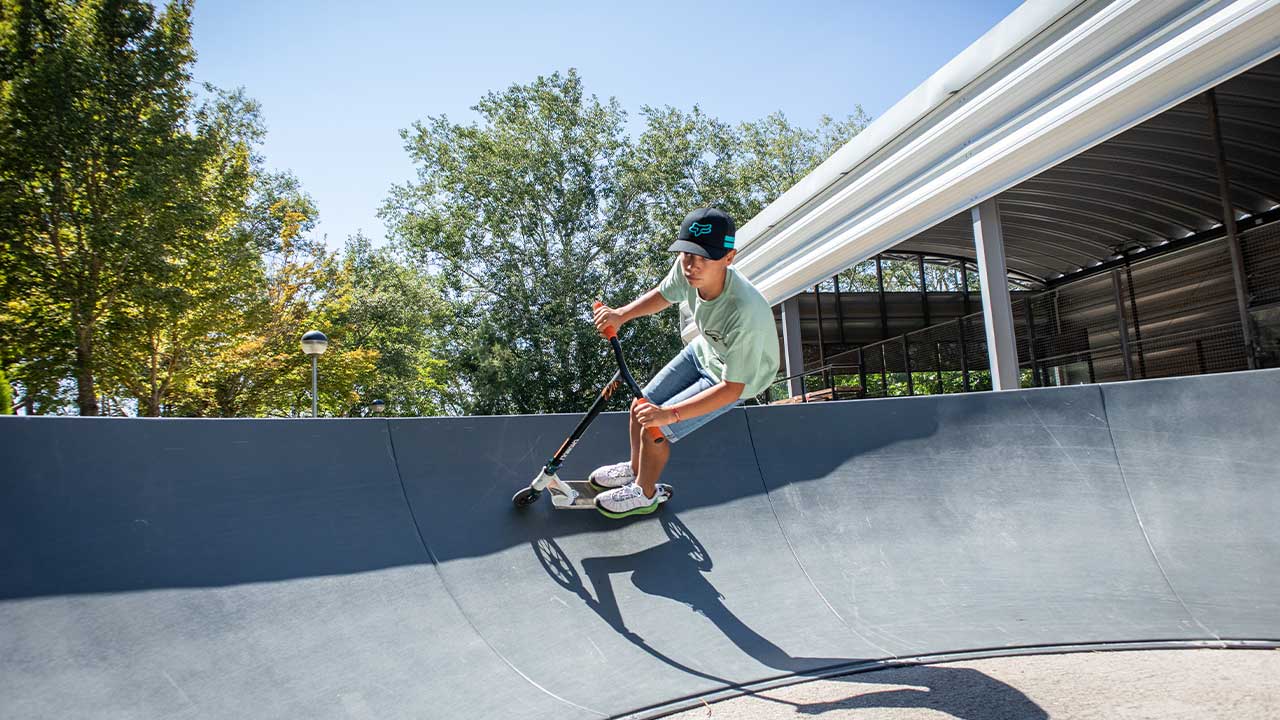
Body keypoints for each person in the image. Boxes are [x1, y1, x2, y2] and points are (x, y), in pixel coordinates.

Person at [590, 208, 780, 518]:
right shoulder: (686, 268)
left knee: (657, 425)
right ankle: (636, 470)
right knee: (641, 407)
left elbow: (731, 390)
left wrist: (670, 414)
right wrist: (621, 315)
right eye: (688, 255)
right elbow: (664, 295)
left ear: (729, 258)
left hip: (736, 377)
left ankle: (645, 493)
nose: (693, 266)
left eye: (705, 257)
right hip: (704, 350)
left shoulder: (745, 312)